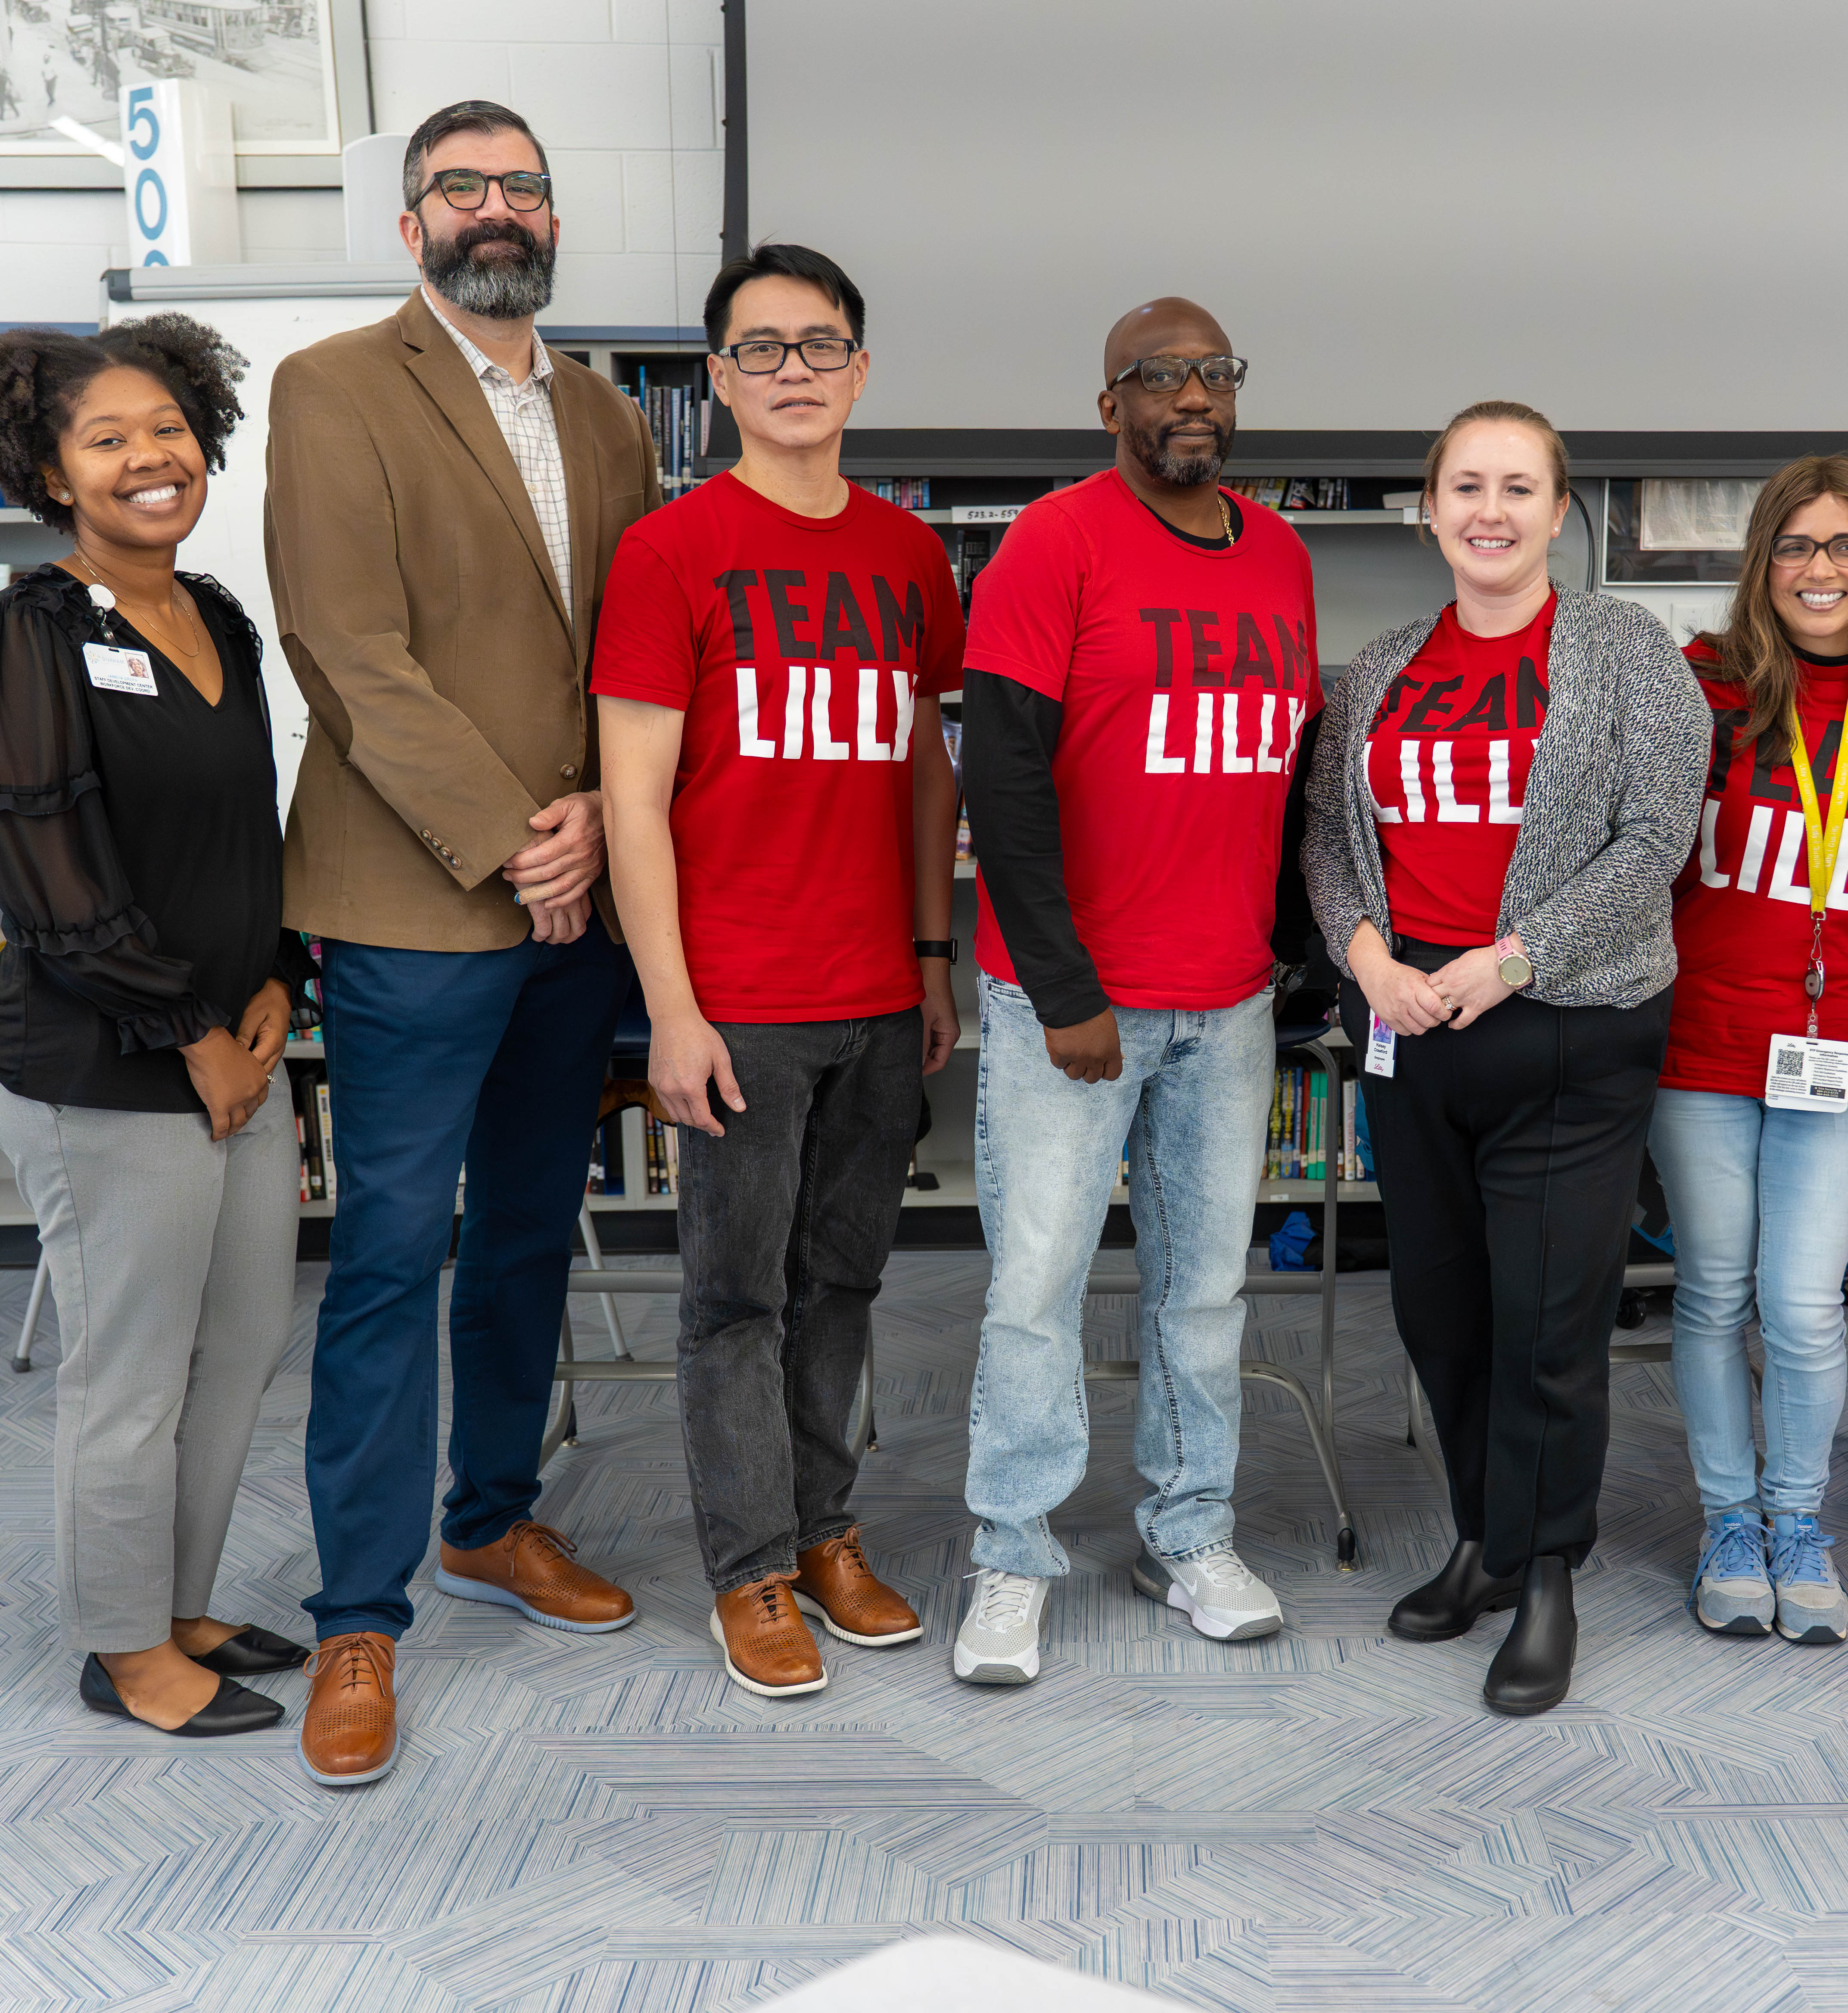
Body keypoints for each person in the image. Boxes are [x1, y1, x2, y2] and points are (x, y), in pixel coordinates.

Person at [264, 100, 664, 1786]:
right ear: (410, 221)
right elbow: (349, 654)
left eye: (523, 185)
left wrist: (591, 826)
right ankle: (359, 1612)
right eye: (462, 186)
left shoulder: (608, 414)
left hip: (580, 898)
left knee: (523, 1240)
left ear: (552, 217)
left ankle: (490, 1519)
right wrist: (518, 837)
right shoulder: (337, 388)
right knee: (386, 1259)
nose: (496, 208)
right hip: (421, 905)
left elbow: (635, 646)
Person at [591, 243, 963, 1698]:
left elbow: (926, 768)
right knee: (733, 1301)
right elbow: (634, 798)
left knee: (845, 1284)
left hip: (878, 992)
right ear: (718, 381)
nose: (794, 368)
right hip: (737, 999)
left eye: (820, 345)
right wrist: (671, 1012)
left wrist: (933, 952)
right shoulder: (670, 552)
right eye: (762, 349)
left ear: (860, 371)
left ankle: (824, 1530)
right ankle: (748, 1572)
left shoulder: (907, 554)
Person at [1303, 400, 1708, 1715]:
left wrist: (1513, 957)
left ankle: (1547, 1579)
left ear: (1559, 510)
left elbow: (1654, 841)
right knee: (1441, 1308)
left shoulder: (1626, 651)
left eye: (1518, 487)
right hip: (1409, 1027)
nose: (1490, 510)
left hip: (1566, 1024)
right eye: (1465, 486)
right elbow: (1323, 840)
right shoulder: (1372, 671)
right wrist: (1369, 961)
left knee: (1545, 1323)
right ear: (1430, 509)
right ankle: (1482, 1535)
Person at [949, 298, 1319, 1686]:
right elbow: (1003, 780)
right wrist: (1062, 989)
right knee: (1036, 1292)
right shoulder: (1053, 545)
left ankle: (1191, 1533)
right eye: (1159, 376)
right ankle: (1011, 1550)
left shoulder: (1279, 556)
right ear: (1109, 407)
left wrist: (1286, 950)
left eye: (1214, 372)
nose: (1192, 396)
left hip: (1226, 1004)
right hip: (1076, 1006)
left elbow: (1285, 772)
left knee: (1204, 1291)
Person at [0, 316, 311, 1740]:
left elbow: (233, 832)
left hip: (237, 1037)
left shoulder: (215, 614)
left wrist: (278, 968)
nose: (149, 458)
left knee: (240, 1345)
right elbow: (49, 873)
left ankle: (179, 1604)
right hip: (99, 1067)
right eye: (108, 439)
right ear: (50, 469)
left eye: (167, 429)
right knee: (134, 1363)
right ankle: (122, 1649)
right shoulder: (30, 629)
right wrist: (191, 1033)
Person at [1646, 455, 1848, 1647]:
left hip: (1841, 1046)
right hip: (1704, 1045)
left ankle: (1797, 1521)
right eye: (1797, 547)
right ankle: (1730, 1524)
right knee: (1715, 1296)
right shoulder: (1700, 687)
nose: (1822, 571)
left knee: (1806, 1305)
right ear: (1760, 565)